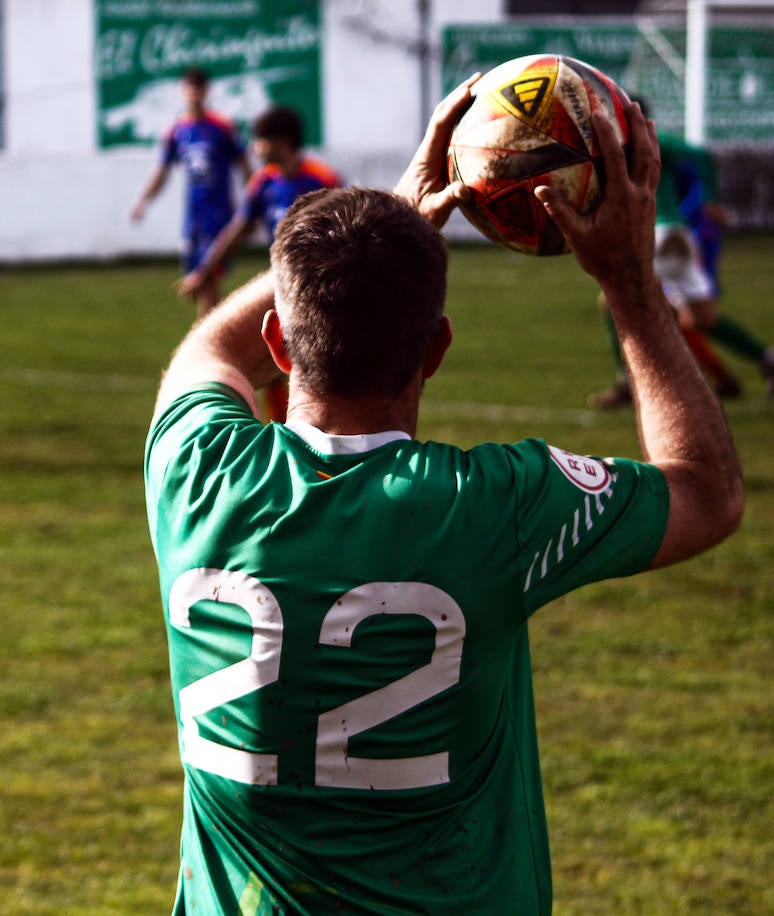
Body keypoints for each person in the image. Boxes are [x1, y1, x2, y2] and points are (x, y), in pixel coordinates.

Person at [144, 77, 743, 913]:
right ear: (436, 350)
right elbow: (707, 492)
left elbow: (207, 351)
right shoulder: (494, 508)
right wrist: (631, 287)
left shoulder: (196, 471)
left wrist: (393, 212)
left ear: (281, 341)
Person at [589, 114, 774, 409]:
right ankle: (773, 361)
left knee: (614, 302)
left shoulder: (638, 139)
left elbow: (699, 154)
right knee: (702, 319)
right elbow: (699, 156)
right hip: (675, 232)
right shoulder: (635, 142)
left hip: (656, 233)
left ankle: (629, 383)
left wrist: (709, 199)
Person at [177, 104, 343, 419]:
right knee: (275, 357)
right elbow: (236, 230)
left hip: (323, 287)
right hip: (283, 284)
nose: (255, 149)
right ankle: (284, 427)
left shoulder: (322, 180)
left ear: (282, 142)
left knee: (317, 363)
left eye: (260, 141)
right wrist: (204, 270)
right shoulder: (264, 182)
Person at [130, 67, 251, 317]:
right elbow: (162, 171)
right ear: (182, 91)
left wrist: (251, 208)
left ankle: (209, 335)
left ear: (207, 91)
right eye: (190, 87)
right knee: (200, 284)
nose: (194, 93)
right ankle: (217, 329)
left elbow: (245, 167)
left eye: (199, 87)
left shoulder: (222, 127)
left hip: (218, 214)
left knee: (206, 279)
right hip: (193, 216)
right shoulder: (177, 130)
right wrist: (144, 201)